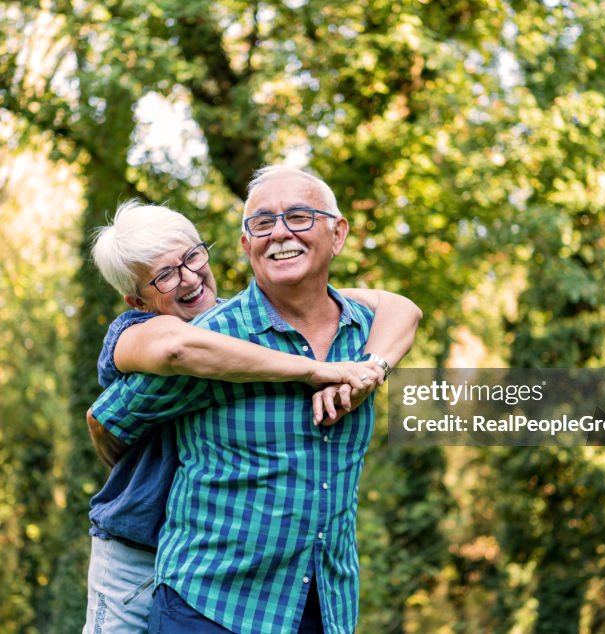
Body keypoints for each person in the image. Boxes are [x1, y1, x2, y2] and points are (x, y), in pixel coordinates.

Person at [92, 166, 419, 633]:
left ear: (338, 233)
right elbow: (104, 422)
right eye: (164, 276)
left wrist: (373, 368)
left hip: (321, 601)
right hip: (181, 582)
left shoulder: (359, 330)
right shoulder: (183, 341)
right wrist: (314, 371)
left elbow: (403, 308)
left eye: (191, 259)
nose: (187, 280)